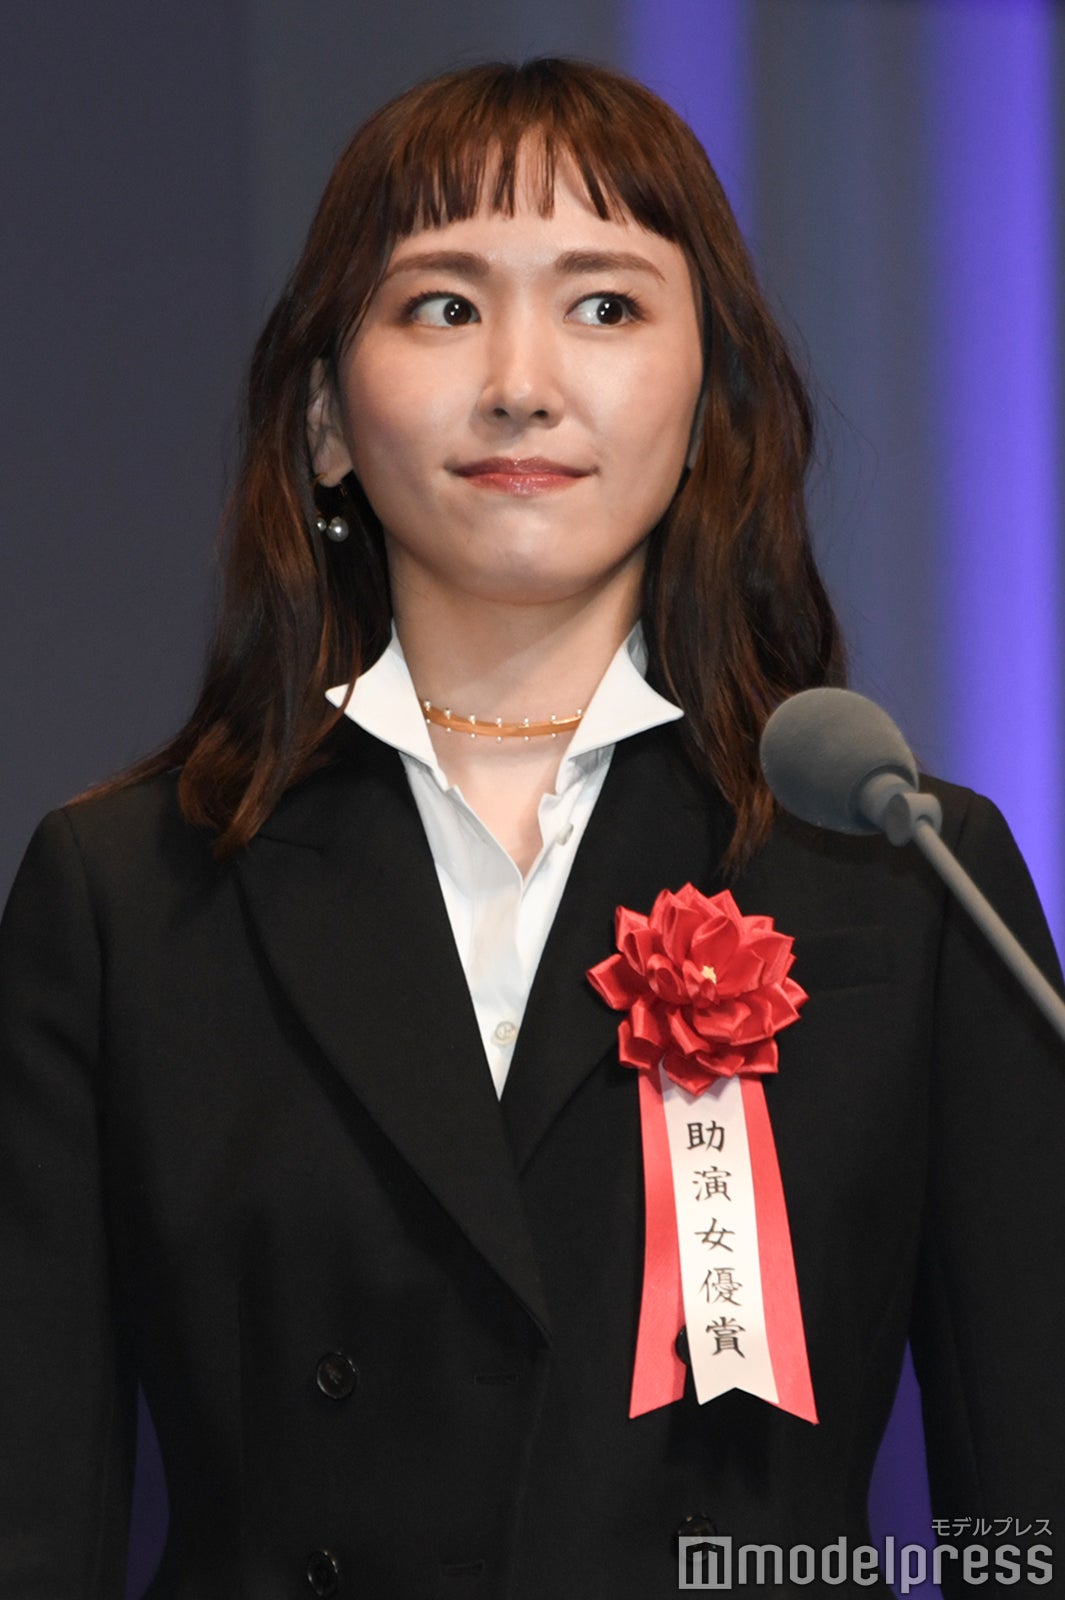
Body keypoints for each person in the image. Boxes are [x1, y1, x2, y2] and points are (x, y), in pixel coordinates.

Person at [1, 56, 1062, 1600]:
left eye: (604, 305)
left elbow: (1029, 1516)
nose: (520, 381)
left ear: (708, 409)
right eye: (441, 305)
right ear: (324, 421)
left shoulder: (899, 873)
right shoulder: (127, 892)